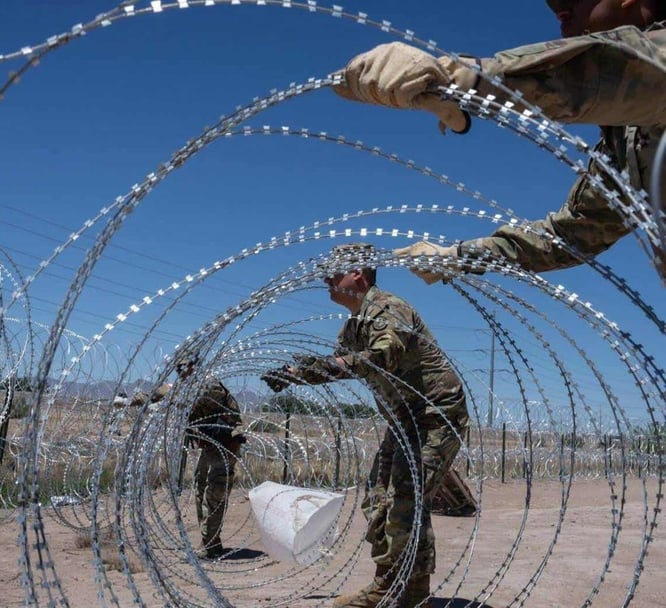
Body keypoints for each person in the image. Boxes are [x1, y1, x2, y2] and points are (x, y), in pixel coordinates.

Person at [334, 1, 666, 284]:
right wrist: (456, 257)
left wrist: (467, 78)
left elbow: (624, 72)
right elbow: (571, 236)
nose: (560, 11)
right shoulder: (626, 140)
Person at [261, 243, 470, 608]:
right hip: (404, 419)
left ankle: (400, 590)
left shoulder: (388, 308)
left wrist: (325, 367)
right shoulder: (353, 328)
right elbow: (341, 364)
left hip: (434, 414)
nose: (326, 278)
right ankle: (399, 587)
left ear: (358, 272)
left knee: (406, 498)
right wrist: (295, 374)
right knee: (376, 495)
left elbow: (382, 355)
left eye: (334, 271)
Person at [174, 359, 245, 560]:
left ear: (193, 366)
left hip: (224, 448)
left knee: (214, 496)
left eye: (183, 367)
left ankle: (211, 546)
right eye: (178, 369)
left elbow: (189, 402)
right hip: (210, 448)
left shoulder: (209, 384)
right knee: (200, 492)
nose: (180, 372)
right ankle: (210, 543)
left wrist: (163, 396)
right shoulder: (191, 387)